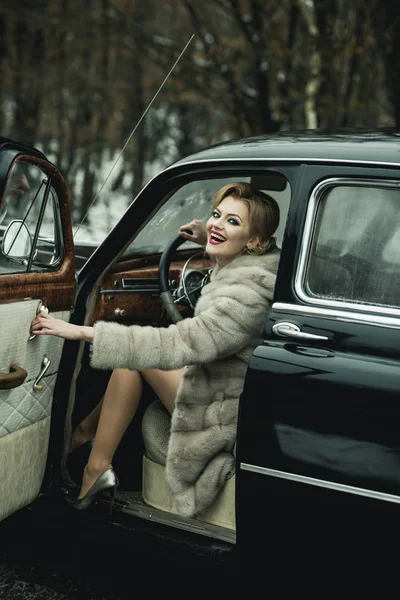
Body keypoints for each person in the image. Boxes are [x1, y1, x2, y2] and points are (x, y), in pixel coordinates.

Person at [30, 182, 281, 517]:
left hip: (225, 414)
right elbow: (239, 255)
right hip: (224, 390)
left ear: (253, 241)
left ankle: (93, 461)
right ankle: (87, 441)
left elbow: (179, 344)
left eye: (232, 222)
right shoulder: (254, 268)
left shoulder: (247, 293)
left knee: (138, 357)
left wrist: (80, 330)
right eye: (216, 215)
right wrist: (206, 239)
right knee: (135, 359)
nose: (217, 224)